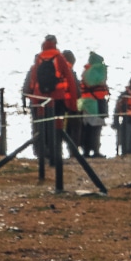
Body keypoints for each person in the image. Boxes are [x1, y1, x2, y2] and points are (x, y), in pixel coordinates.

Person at [23, 34, 78, 165]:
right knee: (57, 129)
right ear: (55, 44)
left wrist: (31, 100)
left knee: (42, 129)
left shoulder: (38, 58)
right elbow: (70, 80)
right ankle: (56, 157)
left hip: (40, 99)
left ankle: (43, 156)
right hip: (57, 99)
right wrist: (73, 104)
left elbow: (33, 81)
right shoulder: (59, 58)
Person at [79, 51, 109, 157]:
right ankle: (95, 150)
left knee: (86, 128)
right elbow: (100, 82)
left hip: (86, 104)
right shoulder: (97, 70)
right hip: (96, 103)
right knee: (96, 128)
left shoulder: (86, 71)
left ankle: (86, 151)